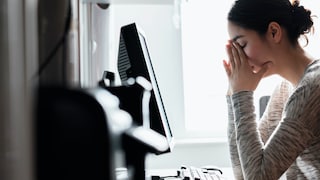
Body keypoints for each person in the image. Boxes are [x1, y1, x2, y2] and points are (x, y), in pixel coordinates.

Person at [223, 0, 320, 179]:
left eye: (242, 45)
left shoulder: (313, 87)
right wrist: (233, 94)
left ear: (274, 32)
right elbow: (242, 171)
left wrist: (242, 94)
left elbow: (257, 177)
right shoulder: (284, 90)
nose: (239, 58)